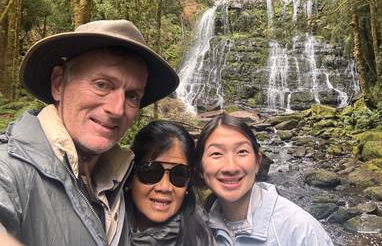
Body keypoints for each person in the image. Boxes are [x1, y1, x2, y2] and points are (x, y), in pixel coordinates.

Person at [0, 19, 179, 246]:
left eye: (132, 95)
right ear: (58, 84)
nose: (116, 109)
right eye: (102, 85)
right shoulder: (9, 169)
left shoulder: (117, 183)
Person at [195, 114, 334, 246]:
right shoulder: (194, 230)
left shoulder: (300, 230)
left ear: (257, 162)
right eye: (216, 153)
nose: (231, 167)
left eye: (242, 151)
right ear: (200, 167)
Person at [127, 120, 214, 245]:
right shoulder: (104, 223)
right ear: (130, 175)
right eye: (151, 172)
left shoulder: (201, 238)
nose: (165, 187)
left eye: (179, 174)